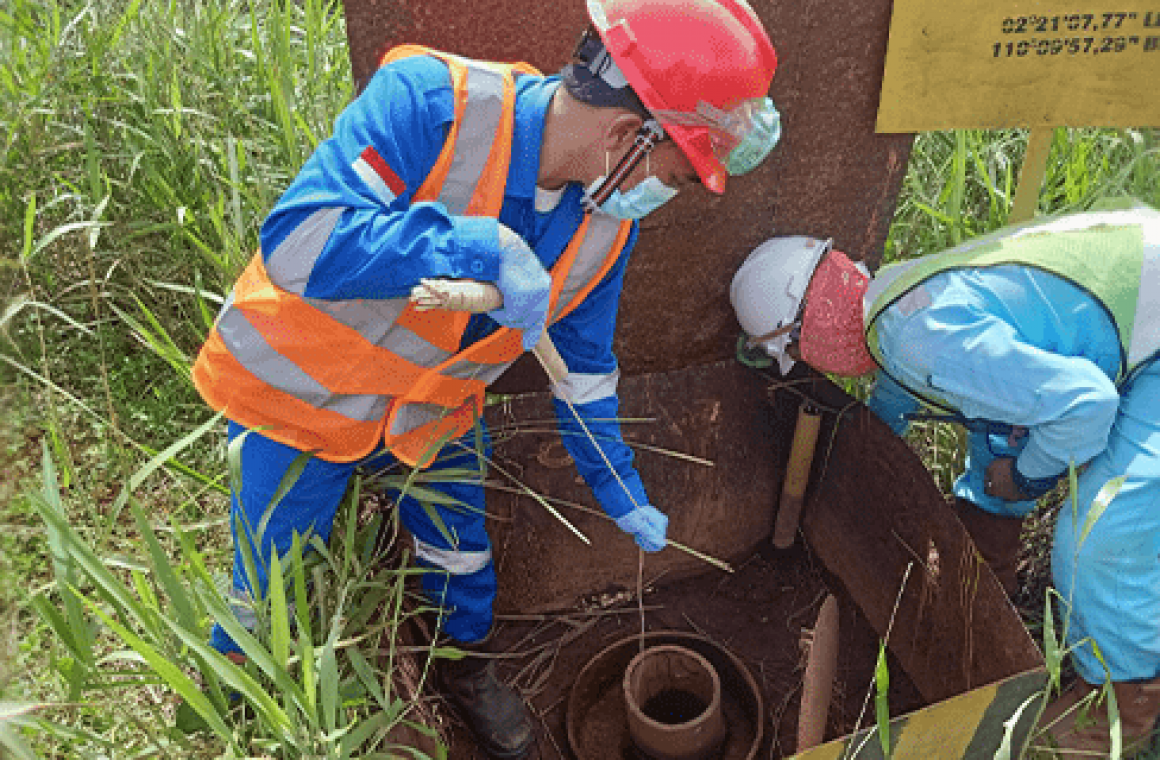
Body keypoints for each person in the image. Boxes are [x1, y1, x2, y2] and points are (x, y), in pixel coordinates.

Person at [190, 0, 780, 756]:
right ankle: (225, 709)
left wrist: (622, 492)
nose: (662, 195)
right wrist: (478, 245)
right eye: (675, 175)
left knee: (460, 552)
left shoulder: (605, 219)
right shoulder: (432, 105)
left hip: (425, 414)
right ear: (628, 135)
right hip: (302, 400)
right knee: (265, 580)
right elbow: (299, 245)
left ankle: (464, 672)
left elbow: (585, 371)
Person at [729, 201, 1160, 757]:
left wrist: (1028, 479)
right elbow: (952, 389)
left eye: (796, 350)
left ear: (807, 324)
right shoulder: (894, 302)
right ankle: (986, 571)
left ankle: (1126, 703)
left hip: (1151, 339)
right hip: (1135, 298)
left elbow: (1087, 406)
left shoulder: (913, 339)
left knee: (1098, 536)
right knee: (1000, 428)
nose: (812, 363)